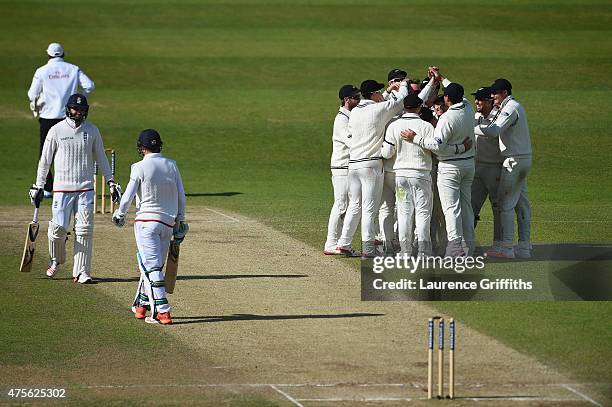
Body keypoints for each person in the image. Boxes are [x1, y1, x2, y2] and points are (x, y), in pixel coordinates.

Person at [29, 93, 120, 283]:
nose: (78, 112)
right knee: (58, 230)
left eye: (81, 110)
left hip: (85, 188)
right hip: (62, 189)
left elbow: (102, 159)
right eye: (74, 109)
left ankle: (82, 272)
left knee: (84, 230)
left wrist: (111, 182)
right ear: (68, 109)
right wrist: (38, 185)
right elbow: (45, 161)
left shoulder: (92, 130)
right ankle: (57, 260)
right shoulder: (56, 130)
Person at [112, 129, 188, 325]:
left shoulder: (138, 166)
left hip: (146, 223)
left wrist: (120, 213)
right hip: (167, 223)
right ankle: (142, 305)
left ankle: (162, 311)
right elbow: (181, 195)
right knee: (154, 266)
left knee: (150, 266)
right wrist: (181, 220)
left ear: (141, 147)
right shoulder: (172, 165)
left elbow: (128, 195)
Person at [335, 77, 409, 258]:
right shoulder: (378, 109)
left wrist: (387, 91)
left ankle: (344, 242)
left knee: (355, 205)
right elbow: (402, 101)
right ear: (373, 94)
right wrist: (403, 85)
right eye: (378, 92)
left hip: (353, 165)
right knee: (369, 208)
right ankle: (368, 249)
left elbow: (378, 106)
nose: (380, 94)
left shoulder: (354, 112)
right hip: (371, 165)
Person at [402, 82, 475, 257]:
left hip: (450, 167)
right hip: (468, 165)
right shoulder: (469, 108)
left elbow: (437, 145)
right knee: (466, 207)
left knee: (451, 208)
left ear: (447, 99)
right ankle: (469, 247)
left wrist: (415, 138)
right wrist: (442, 78)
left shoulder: (447, 118)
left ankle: (455, 248)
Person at [27, 43, 95, 197]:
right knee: (71, 149)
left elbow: (32, 94)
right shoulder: (73, 69)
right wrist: (78, 101)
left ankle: (47, 187)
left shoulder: (42, 71)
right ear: (63, 54)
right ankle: (70, 184)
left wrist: (39, 101)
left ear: (48, 55)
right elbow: (89, 86)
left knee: (46, 153)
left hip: (48, 117)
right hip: (69, 116)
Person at [477, 79, 532, 258]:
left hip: (514, 161)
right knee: (522, 204)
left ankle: (507, 248)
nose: (492, 96)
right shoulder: (510, 106)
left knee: (505, 204)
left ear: (505, 93)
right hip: (521, 158)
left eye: (496, 93)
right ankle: (524, 247)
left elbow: (493, 131)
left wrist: (469, 128)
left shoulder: (510, 107)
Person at [381, 93, 435, 256]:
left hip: (401, 175)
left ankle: (405, 252)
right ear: (419, 108)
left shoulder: (394, 126)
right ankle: (424, 252)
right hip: (421, 174)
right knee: (423, 212)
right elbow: (435, 148)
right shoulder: (427, 127)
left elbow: (387, 153)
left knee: (404, 213)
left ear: (404, 107)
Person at [324, 85, 360, 255]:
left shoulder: (350, 116)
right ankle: (330, 244)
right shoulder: (341, 120)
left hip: (348, 166)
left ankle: (341, 243)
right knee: (340, 205)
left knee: (347, 206)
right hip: (341, 167)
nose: (359, 100)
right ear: (347, 100)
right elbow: (351, 143)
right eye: (356, 97)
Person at [471, 87, 503, 249]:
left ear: (490, 101)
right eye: (476, 98)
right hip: (477, 169)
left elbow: (492, 133)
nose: (476, 102)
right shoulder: (476, 116)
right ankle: (468, 244)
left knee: (498, 209)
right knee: (470, 207)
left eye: (480, 99)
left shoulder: (499, 117)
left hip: (495, 169)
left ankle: (499, 245)